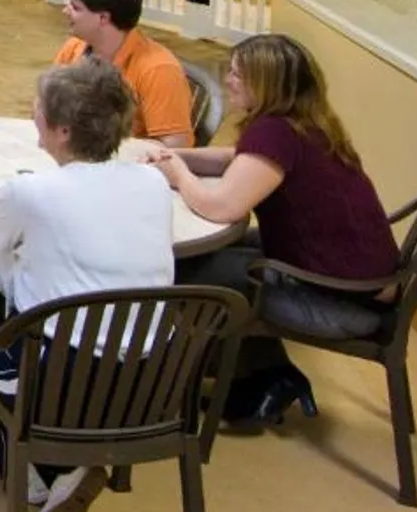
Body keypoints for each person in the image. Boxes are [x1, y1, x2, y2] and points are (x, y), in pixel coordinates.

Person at [150, 33, 400, 430]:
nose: (228, 80)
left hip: (342, 305)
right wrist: (173, 155)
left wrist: (178, 173)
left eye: (237, 74)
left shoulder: (273, 133)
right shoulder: (305, 124)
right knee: (216, 256)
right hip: (362, 284)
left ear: (265, 85)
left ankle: (253, 375)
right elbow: (238, 159)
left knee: (187, 272)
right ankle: (260, 374)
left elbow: (223, 207)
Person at [0, 57, 176, 511]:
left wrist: (1, 196)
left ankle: (35, 481)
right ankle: (63, 471)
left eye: (38, 108)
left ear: (62, 131)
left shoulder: (31, 192)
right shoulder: (153, 183)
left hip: (61, 381)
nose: (33, 113)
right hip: (150, 380)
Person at [52, 0, 193, 147]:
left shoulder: (159, 70)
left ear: (103, 18)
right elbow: (46, 106)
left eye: (75, 7)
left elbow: (174, 145)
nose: (65, 10)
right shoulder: (74, 47)